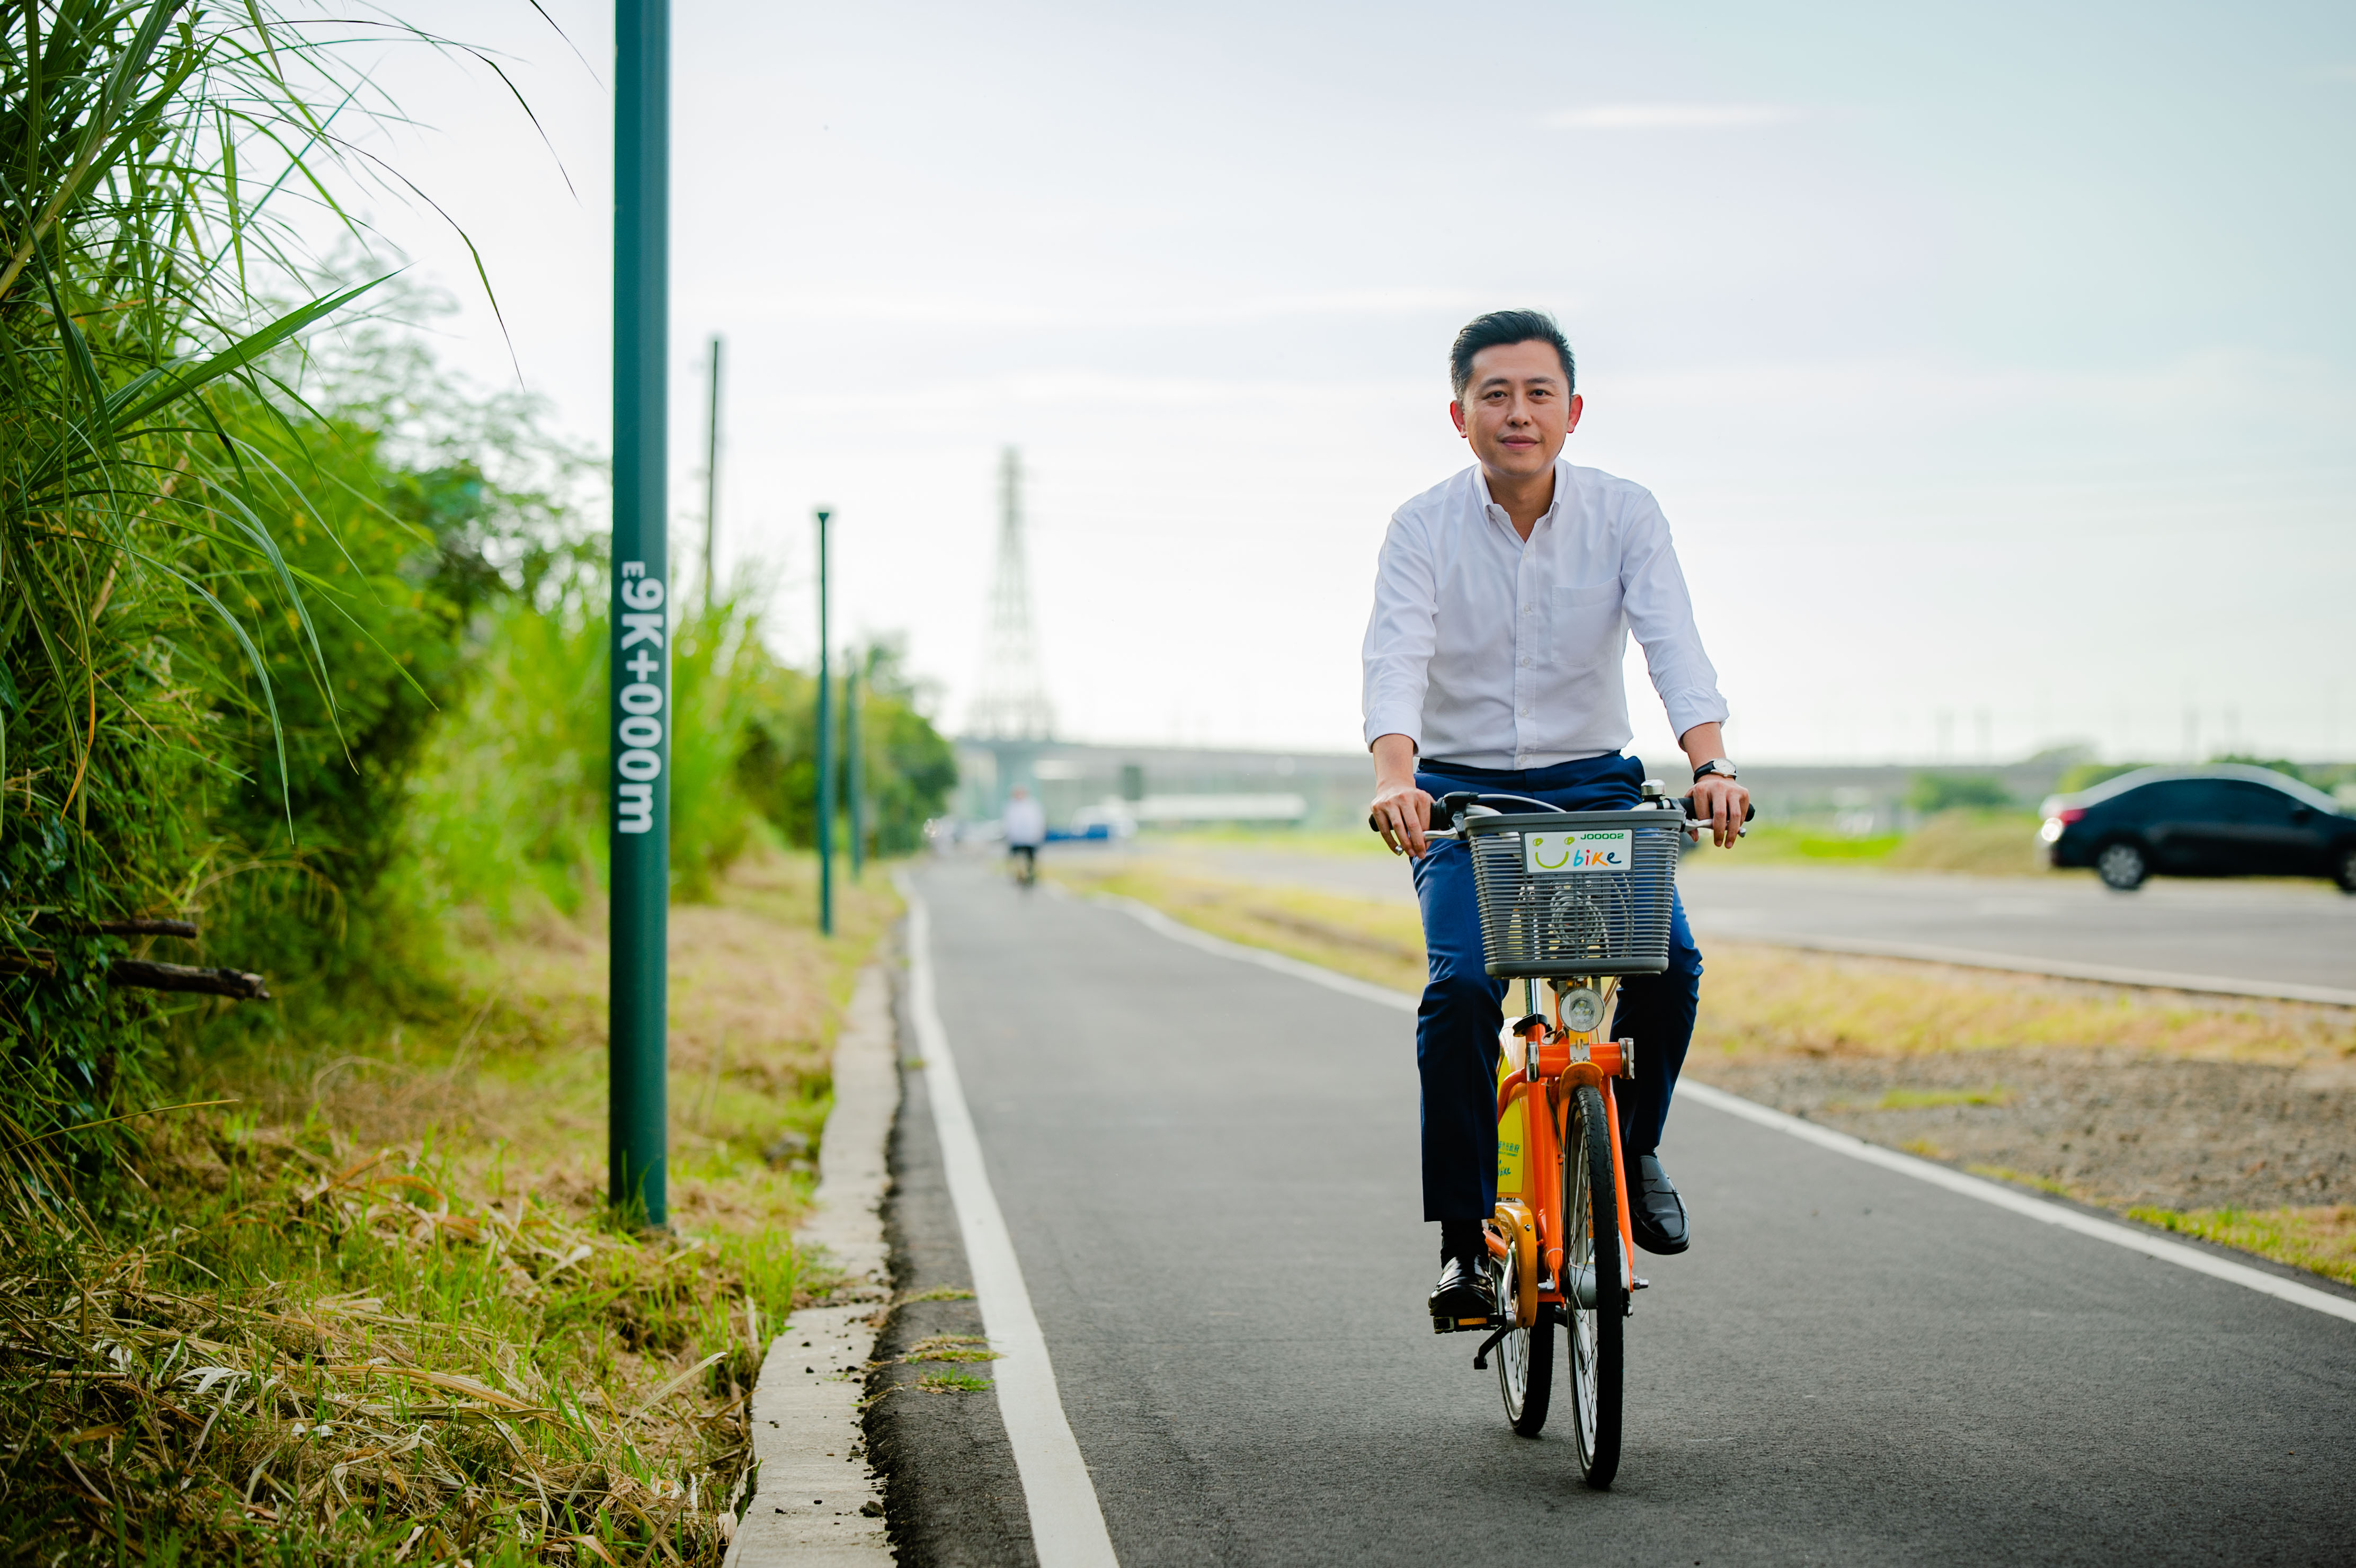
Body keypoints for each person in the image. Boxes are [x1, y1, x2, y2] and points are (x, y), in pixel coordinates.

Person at [1362, 309, 1751, 1330]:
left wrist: (1709, 765)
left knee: (1668, 968)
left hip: (1595, 794)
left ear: (1572, 411)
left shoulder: (1625, 515)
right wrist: (1395, 778)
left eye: (1538, 394)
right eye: (1495, 395)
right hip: (1462, 804)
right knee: (1458, 996)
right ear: (1459, 415)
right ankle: (1461, 1249)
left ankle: (1629, 1146)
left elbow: (1675, 644)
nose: (1518, 414)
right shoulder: (1421, 526)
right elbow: (1394, 658)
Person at [1003, 784, 1046, 883]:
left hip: (1030, 838)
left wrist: (1038, 834)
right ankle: (1019, 875)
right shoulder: (1011, 806)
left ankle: (1030, 875)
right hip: (1016, 838)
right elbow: (1008, 823)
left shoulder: (1033, 806)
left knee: (1030, 858)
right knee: (1017, 858)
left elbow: (1038, 821)